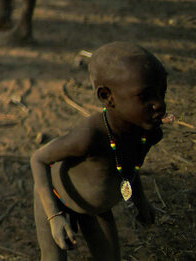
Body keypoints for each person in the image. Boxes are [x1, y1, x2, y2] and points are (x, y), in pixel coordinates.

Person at [31, 42, 167, 260]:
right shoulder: (90, 134)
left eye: (162, 92)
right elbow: (38, 159)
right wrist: (54, 217)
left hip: (96, 209)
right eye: (145, 96)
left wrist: (141, 201)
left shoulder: (148, 133)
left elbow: (130, 165)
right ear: (106, 96)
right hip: (59, 200)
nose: (159, 104)